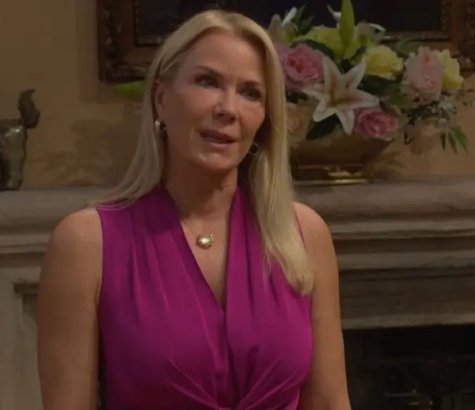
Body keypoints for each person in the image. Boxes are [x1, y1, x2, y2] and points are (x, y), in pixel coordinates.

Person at [37, 9, 351, 410]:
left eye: (251, 93)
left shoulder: (304, 234)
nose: (228, 108)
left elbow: (329, 401)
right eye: (207, 81)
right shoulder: (85, 243)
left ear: (264, 119)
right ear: (162, 100)